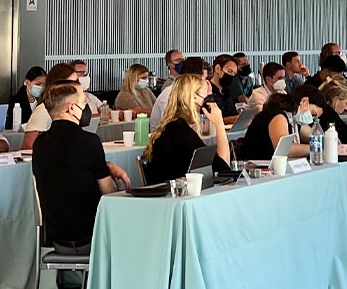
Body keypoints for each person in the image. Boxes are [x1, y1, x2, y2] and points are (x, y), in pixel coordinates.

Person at [30, 82, 130, 250]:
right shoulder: (88, 141)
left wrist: (105, 166)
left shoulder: (40, 144)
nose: (87, 108)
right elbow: (110, 195)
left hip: (57, 237)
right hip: (89, 237)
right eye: (84, 103)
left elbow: (67, 169)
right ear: (70, 108)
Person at [140, 75, 233, 185]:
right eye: (206, 93)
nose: (211, 97)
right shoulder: (181, 132)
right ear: (194, 96)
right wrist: (219, 124)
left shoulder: (175, 126)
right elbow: (223, 170)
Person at [240, 90, 320, 159]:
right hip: (256, 170)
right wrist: (317, 147)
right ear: (304, 102)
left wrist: (325, 142)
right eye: (313, 114)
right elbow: (284, 149)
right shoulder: (278, 115)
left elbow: (315, 136)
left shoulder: (294, 120)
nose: (311, 119)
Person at [22, 64, 80, 151]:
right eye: (70, 83)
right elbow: (28, 145)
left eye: (76, 82)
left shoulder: (74, 107)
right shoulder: (43, 110)